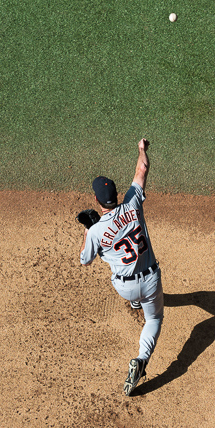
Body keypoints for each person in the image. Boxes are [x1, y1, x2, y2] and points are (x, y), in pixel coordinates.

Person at [80, 138, 164, 396]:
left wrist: (90, 230)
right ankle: (141, 358)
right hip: (150, 280)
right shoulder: (132, 203)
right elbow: (142, 170)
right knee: (155, 319)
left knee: (114, 264)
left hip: (124, 288)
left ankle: (135, 301)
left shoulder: (96, 231)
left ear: (96, 199)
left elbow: (85, 259)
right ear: (116, 194)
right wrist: (141, 149)